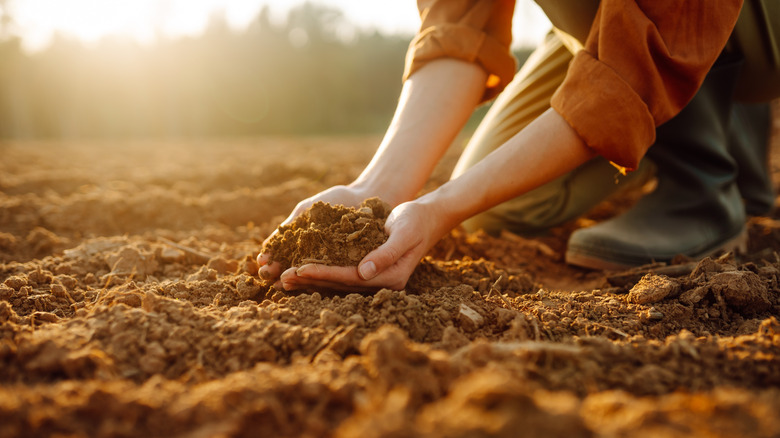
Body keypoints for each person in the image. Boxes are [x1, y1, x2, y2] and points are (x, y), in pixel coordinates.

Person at [258, 0, 778, 291]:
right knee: (508, 199)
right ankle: (697, 121)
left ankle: (703, 185)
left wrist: (441, 209)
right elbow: (461, 23)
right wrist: (380, 190)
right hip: (614, 18)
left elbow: (637, 59)